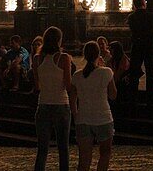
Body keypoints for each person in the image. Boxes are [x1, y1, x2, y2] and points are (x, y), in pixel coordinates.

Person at [33, 26, 73, 171]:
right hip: (61, 104)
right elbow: (68, 85)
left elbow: (37, 85)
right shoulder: (63, 58)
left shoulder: (37, 58)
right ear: (59, 40)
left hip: (43, 104)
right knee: (63, 148)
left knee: (42, 149)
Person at [72, 41, 116, 171]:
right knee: (105, 154)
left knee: (84, 158)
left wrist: (76, 116)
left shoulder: (77, 75)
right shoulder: (106, 72)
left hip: (83, 119)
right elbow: (113, 95)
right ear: (98, 55)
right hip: (103, 117)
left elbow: (72, 99)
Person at [126, 0, 153, 104]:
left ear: (135, 4)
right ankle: (151, 97)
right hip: (149, 46)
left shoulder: (131, 17)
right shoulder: (152, 16)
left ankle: (133, 96)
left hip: (137, 46)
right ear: (144, 3)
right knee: (150, 72)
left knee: (134, 71)